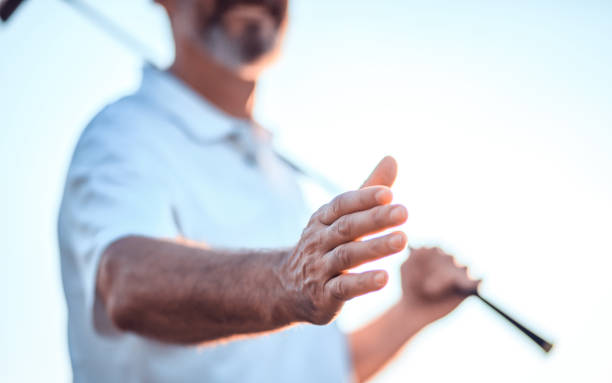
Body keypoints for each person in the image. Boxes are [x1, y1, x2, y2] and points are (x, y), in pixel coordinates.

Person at [58, 0, 480, 382]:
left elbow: (320, 369)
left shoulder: (279, 173)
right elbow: (128, 283)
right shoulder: (124, 132)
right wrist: (286, 280)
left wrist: (412, 313)